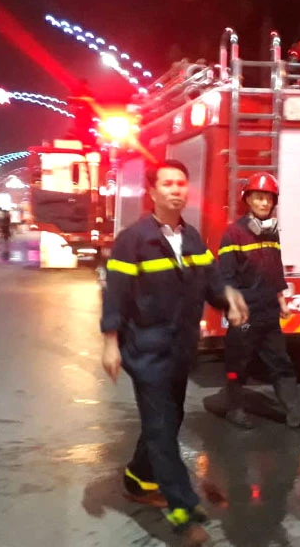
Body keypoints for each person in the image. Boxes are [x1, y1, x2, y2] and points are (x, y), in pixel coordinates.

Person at [100, 160, 248, 546]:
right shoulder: (133, 239)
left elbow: (212, 282)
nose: (176, 190)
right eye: (167, 184)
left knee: (168, 419)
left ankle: (137, 478)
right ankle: (183, 511)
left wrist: (228, 298)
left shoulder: (193, 238)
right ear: (152, 191)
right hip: (146, 349)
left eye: (181, 183)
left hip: (181, 347)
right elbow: (115, 294)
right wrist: (110, 342)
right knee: (162, 428)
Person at [216, 172, 300, 429]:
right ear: (248, 200)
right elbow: (225, 276)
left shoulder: (271, 233)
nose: (264, 203)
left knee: (280, 362)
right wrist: (233, 307)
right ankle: (234, 408)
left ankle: (295, 411)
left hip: (268, 311)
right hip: (245, 313)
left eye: (269, 198)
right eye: (259, 197)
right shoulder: (233, 233)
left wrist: (281, 299)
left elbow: (275, 270)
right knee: (238, 363)